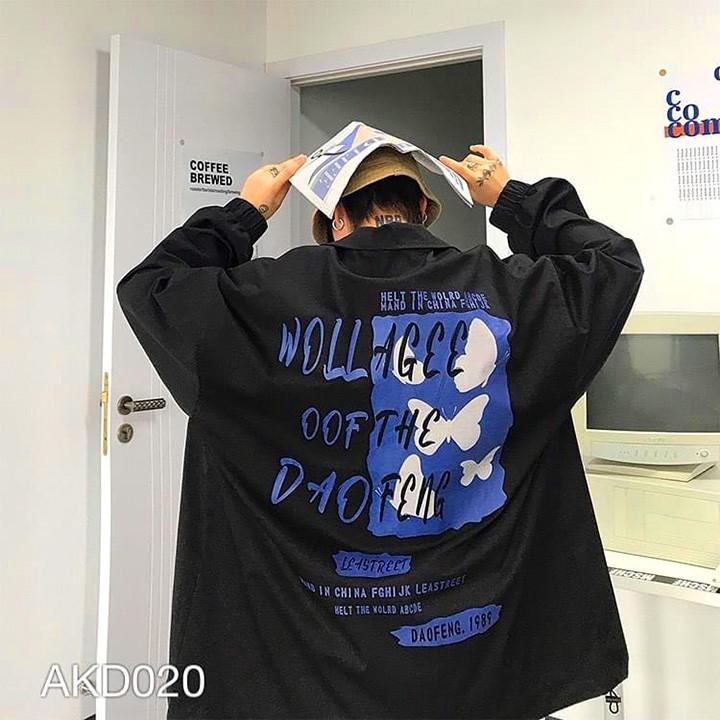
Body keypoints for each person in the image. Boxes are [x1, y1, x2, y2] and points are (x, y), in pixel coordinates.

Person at [116, 140, 644, 720]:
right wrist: (512, 200)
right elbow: (612, 264)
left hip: (305, 670)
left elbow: (151, 286)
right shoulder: (509, 295)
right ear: (421, 212)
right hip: (476, 657)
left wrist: (246, 212)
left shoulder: (262, 301)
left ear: (337, 218)